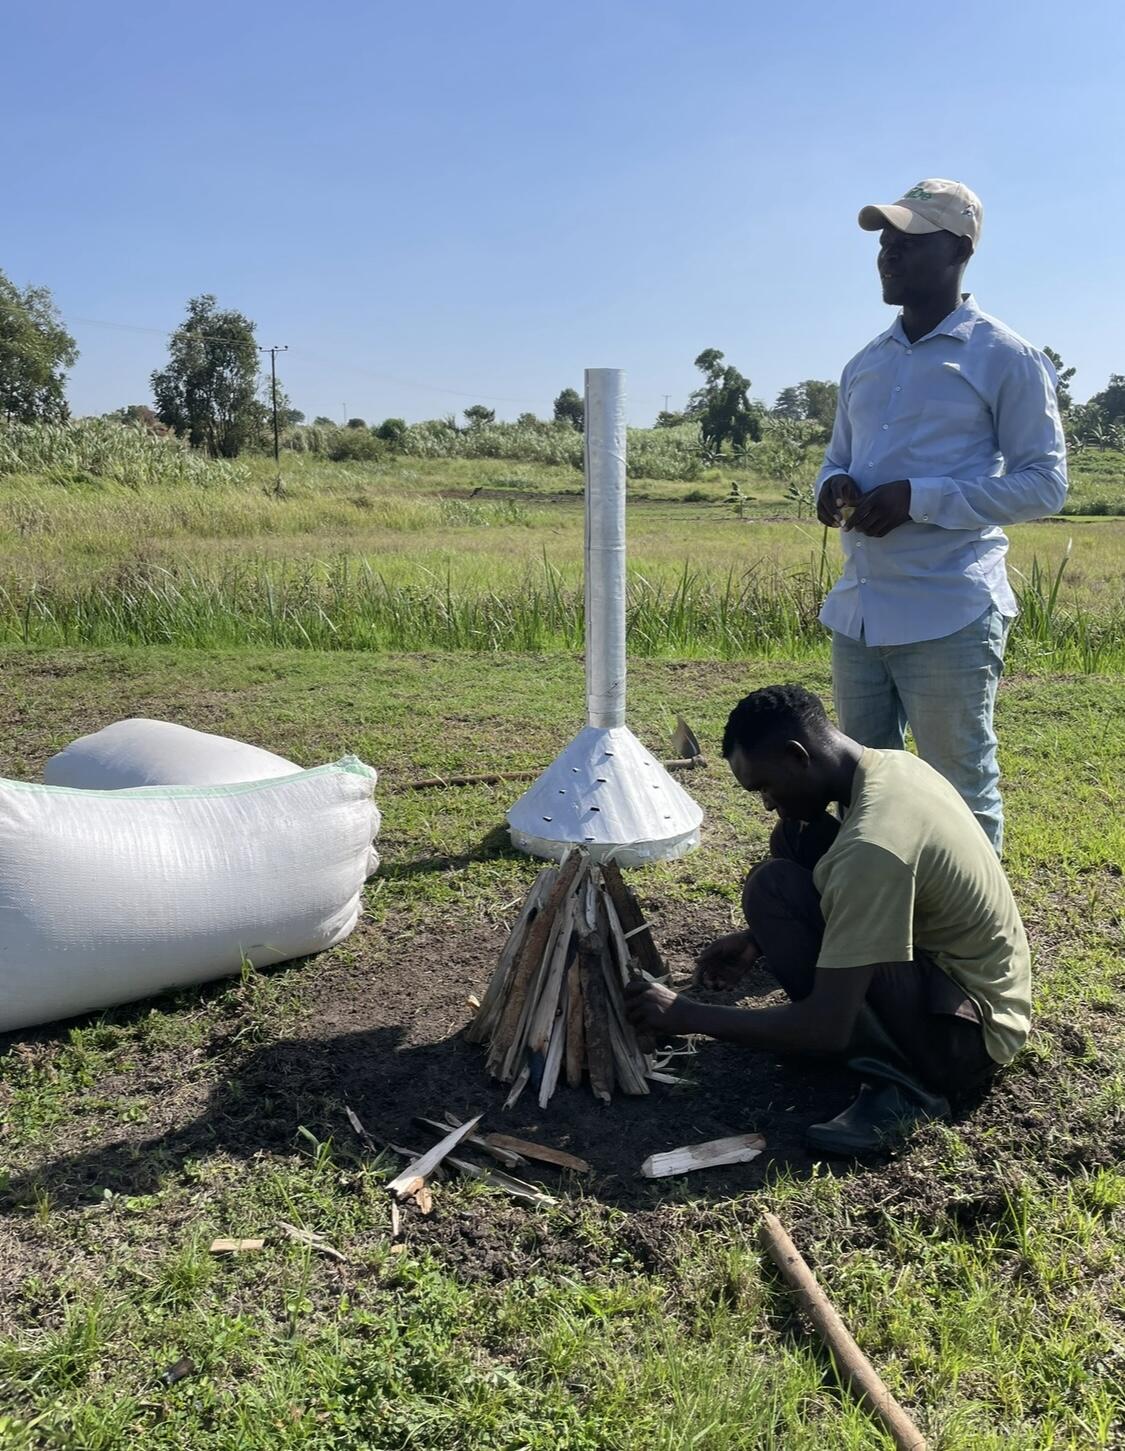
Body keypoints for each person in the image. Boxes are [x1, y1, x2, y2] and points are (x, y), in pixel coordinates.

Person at [624, 684, 1032, 1154]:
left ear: (798, 756)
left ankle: (903, 1090)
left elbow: (825, 1027)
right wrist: (758, 940)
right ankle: (889, 1052)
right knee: (793, 847)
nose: (766, 803)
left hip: (967, 1038)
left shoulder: (872, 848)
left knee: (771, 888)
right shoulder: (891, 766)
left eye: (764, 786)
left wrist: (686, 1015)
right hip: (964, 989)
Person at [815, 178, 1067, 854]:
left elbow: (1044, 483)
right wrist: (830, 482)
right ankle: (882, 939)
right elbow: (836, 455)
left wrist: (917, 498)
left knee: (958, 787)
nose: (887, 253)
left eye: (907, 239)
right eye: (884, 240)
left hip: (948, 608)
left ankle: (972, 952)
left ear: (958, 248)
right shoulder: (864, 364)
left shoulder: (1004, 357)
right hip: (860, 611)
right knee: (862, 784)